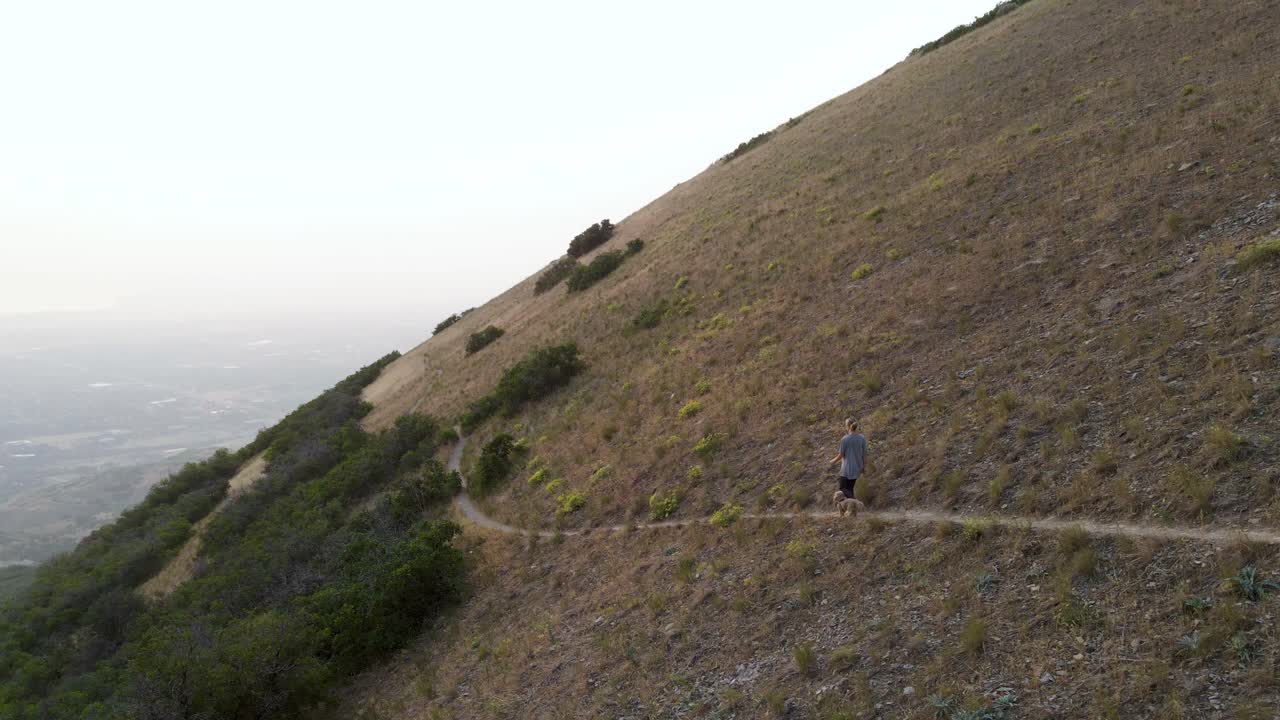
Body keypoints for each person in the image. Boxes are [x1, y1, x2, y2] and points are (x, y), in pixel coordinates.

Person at [830, 418, 867, 502]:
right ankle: (850, 510)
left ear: (847, 426)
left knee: (842, 490)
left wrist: (832, 461)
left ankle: (853, 505)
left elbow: (841, 455)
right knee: (849, 489)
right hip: (857, 468)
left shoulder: (845, 439)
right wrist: (864, 467)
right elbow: (865, 455)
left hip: (846, 470)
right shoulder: (862, 438)